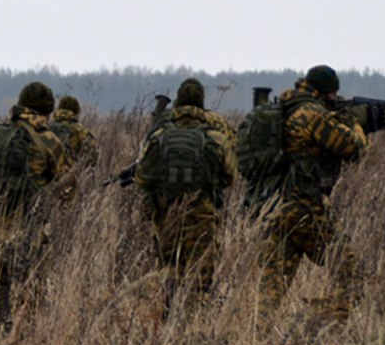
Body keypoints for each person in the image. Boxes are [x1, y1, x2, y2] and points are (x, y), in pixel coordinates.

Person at [255, 65, 368, 320]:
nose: (335, 99)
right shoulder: (312, 114)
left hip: (278, 207)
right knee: (346, 261)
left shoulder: (289, 107)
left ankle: (258, 336)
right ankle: (336, 322)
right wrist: (357, 121)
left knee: (272, 283)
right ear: (326, 93)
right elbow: (354, 148)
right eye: (333, 94)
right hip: (303, 208)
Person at [0, 81, 75, 330]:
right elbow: (69, 188)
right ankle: (23, 340)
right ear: (47, 112)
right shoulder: (47, 139)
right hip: (24, 232)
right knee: (29, 292)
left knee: (0, 285)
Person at [134, 77, 236, 305]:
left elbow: (142, 178)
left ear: (177, 103)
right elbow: (230, 176)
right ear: (201, 103)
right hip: (201, 215)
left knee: (169, 266)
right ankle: (188, 330)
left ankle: (169, 303)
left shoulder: (160, 135)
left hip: (165, 215)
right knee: (199, 279)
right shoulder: (215, 136)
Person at [48, 95, 99, 168]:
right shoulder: (80, 130)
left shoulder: (46, 126)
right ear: (76, 111)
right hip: (69, 176)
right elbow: (92, 158)